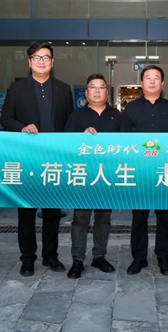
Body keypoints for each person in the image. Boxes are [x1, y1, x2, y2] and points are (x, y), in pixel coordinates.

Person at [0, 41, 74, 277]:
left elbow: (70, 123)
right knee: (27, 213)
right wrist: (22, 128)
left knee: (53, 213)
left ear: (52, 62)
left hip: (54, 160)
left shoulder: (64, 89)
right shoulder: (17, 88)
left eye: (46, 57)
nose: (42, 61)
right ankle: (27, 258)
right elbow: (6, 119)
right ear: (29, 61)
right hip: (27, 159)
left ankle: (50, 256)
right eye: (37, 57)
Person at [121, 65, 168, 276]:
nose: (152, 81)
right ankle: (139, 258)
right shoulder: (131, 108)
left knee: (164, 216)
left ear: (162, 84)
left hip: (165, 170)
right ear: (141, 83)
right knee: (139, 217)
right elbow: (124, 140)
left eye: (156, 78)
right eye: (148, 78)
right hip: (140, 171)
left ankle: (163, 256)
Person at [64, 74, 121, 279]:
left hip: (107, 175)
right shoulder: (76, 117)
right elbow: (66, 145)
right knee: (80, 219)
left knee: (103, 218)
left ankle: (99, 256)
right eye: (93, 87)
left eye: (101, 87)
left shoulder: (116, 116)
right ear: (86, 92)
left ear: (107, 92)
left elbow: (125, 146)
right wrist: (81, 137)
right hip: (84, 175)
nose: (97, 91)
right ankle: (77, 259)